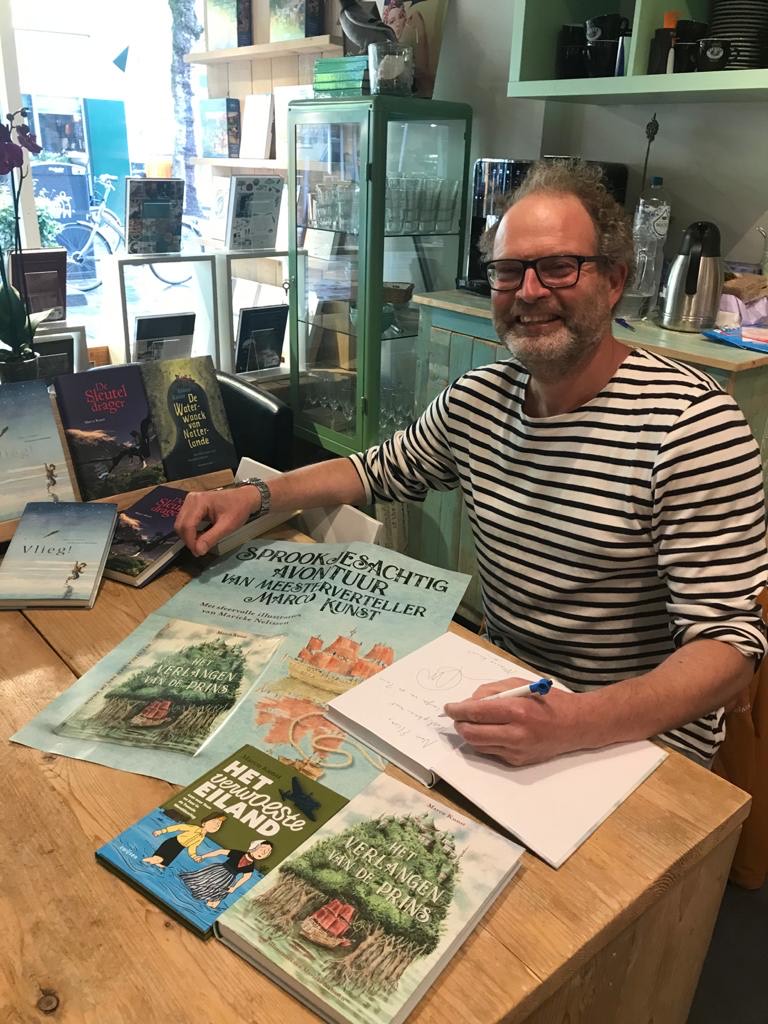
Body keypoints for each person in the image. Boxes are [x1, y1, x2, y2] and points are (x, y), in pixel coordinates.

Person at [175, 160, 768, 769]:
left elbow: (729, 649)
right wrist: (255, 495)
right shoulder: (479, 398)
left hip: (634, 741)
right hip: (502, 692)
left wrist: (575, 721)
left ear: (614, 280)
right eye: (509, 271)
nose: (529, 292)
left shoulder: (693, 427)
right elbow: (376, 469)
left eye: (559, 267)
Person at [179, 839, 273, 909]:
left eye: (267, 851)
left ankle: (209, 905)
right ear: (255, 846)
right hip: (218, 870)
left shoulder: (251, 865)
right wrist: (203, 856)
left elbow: (246, 877)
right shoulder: (238, 853)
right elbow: (220, 851)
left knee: (220, 894)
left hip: (229, 879)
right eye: (263, 848)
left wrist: (234, 887)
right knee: (202, 882)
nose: (264, 852)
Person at [142, 812, 226, 868]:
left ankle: (150, 864)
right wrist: (162, 831)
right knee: (158, 858)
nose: (216, 825)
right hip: (173, 843)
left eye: (218, 824)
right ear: (204, 823)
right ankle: (147, 861)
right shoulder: (194, 828)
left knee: (163, 864)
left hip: (179, 848)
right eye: (214, 821)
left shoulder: (201, 837)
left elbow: (192, 847)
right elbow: (179, 827)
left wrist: (193, 856)